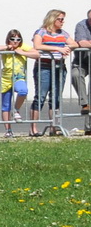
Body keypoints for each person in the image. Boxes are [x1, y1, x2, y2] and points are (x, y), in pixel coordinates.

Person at [31, 9, 71, 137]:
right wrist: (58, 48)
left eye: (63, 19)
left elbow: (74, 43)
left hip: (59, 67)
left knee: (56, 98)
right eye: (60, 19)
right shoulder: (41, 32)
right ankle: (33, 128)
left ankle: (54, 127)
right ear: (53, 19)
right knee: (40, 97)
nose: (62, 22)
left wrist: (68, 48)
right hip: (44, 67)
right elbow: (37, 46)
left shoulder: (63, 33)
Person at [0, 29, 35, 137]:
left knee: (23, 91)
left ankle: (16, 110)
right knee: (5, 106)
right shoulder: (6, 49)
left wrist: (22, 52)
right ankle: (8, 130)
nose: (15, 41)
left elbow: (36, 54)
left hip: (19, 77)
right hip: (6, 79)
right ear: (8, 39)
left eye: (18, 39)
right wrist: (7, 47)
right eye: (13, 39)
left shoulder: (23, 47)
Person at [71, 7, 91, 135]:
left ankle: (89, 128)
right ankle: (84, 103)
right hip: (81, 61)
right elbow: (82, 43)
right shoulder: (81, 25)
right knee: (75, 74)